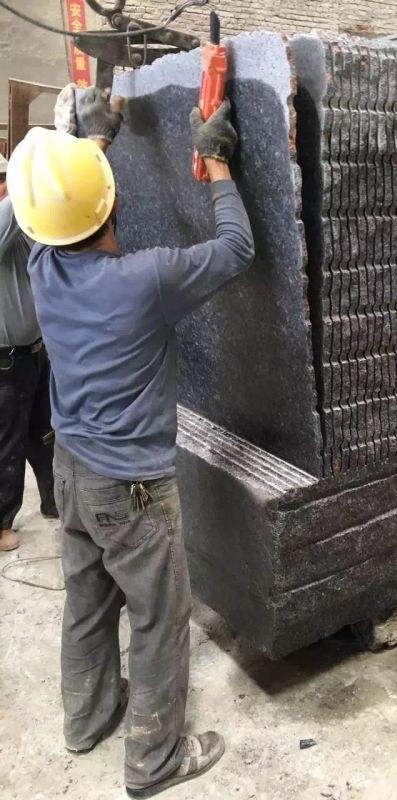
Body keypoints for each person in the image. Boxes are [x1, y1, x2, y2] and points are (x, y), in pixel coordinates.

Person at [6, 88, 254, 798]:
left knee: (87, 602)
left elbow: (67, 210)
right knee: (158, 618)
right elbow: (237, 248)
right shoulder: (146, 281)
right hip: (135, 490)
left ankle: (85, 722)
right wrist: (217, 161)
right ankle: (154, 762)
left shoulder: (43, 263)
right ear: (112, 202)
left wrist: (95, 140)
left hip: (72, 471)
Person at [0, 152, 57, 552]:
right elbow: (22, 198)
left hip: (34, 353)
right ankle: (1, 523)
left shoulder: (16, 230)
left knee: (44, 433)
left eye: (5, 177)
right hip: (6, 363)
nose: (4, 185)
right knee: (8, 444)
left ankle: (54, 501)